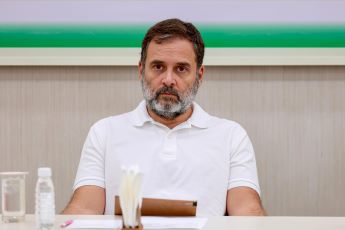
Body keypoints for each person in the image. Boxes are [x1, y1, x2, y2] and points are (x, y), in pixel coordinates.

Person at [62, 18, 265, 216]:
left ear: (199, 75)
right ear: (141, 70)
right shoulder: (104, 132)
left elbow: (248, 212)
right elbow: (83, 210)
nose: (168, 80)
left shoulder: (231, 136)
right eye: (158, 67)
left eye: (181, 69)